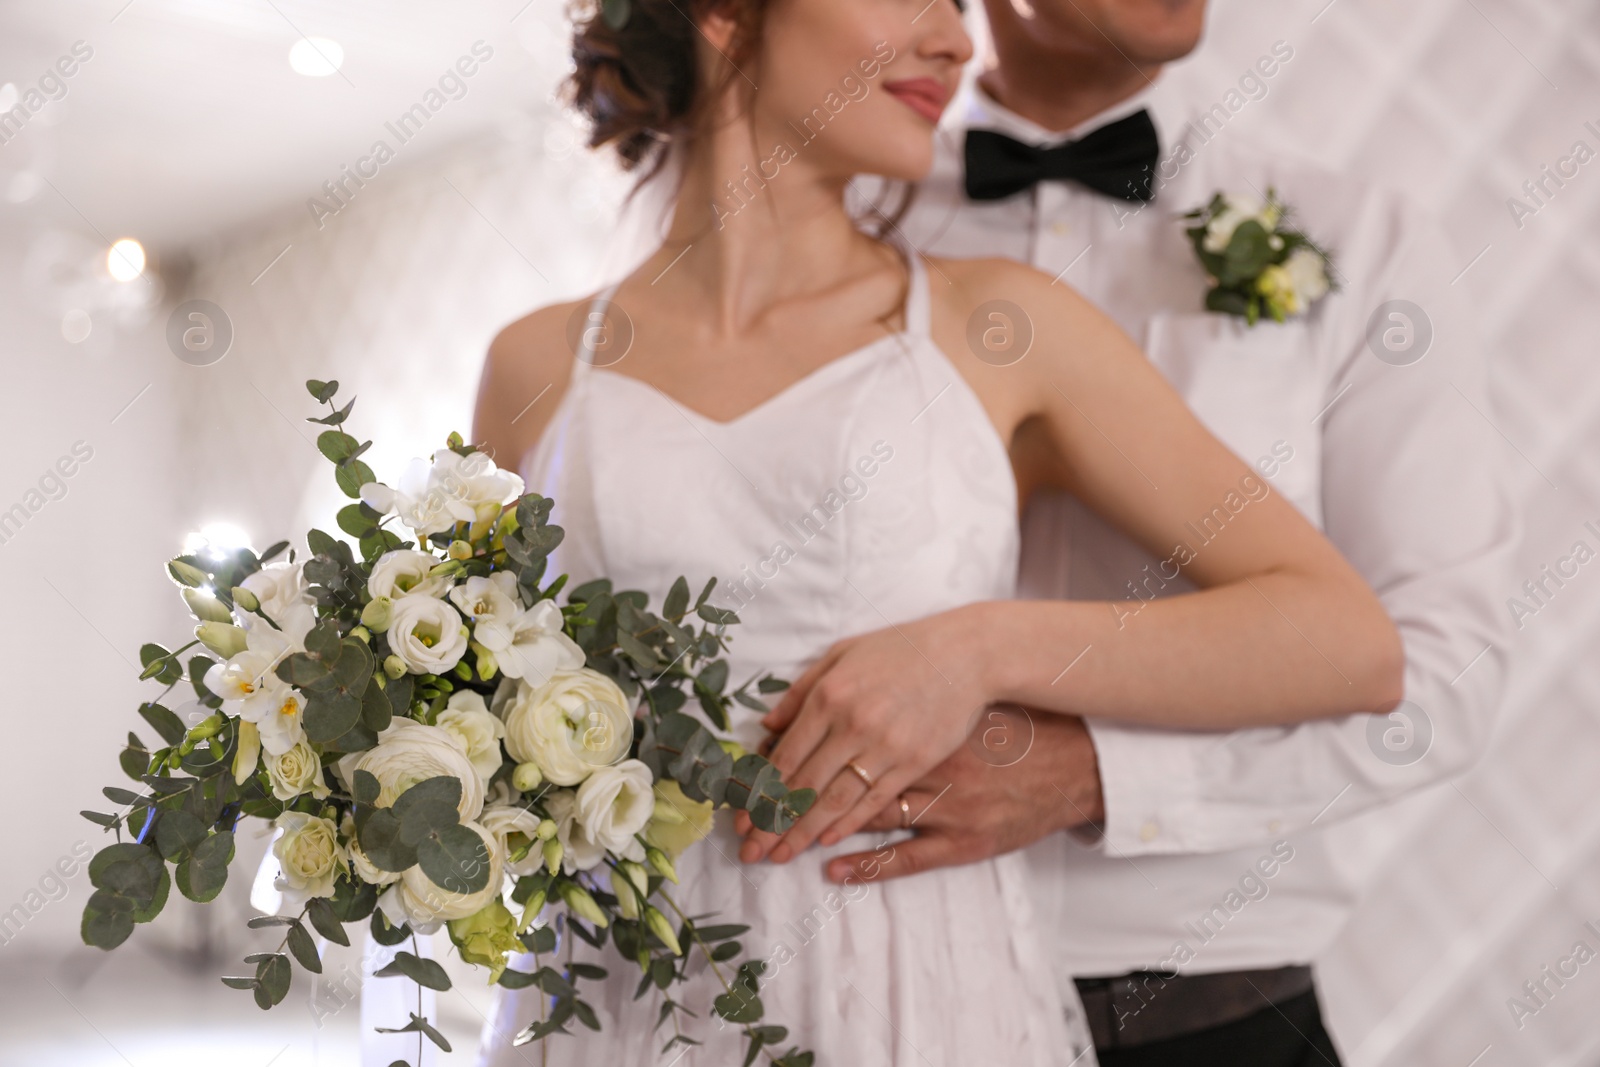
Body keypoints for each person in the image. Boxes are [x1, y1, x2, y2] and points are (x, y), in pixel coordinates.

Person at [470, 0, 1407, 1062]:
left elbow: (1346, 639)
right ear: (726, 15)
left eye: (959, 7)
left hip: (915, 992)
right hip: (613, 995)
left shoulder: (999, 326)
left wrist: (978, 648)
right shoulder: (534, 364)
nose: (958, 41)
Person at [737, 1, 1518, 1063]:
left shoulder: (1357, 240)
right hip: (862, 988)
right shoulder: (819, 229)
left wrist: (1095, 774)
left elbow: (1439, 672)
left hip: (1213, 1011)